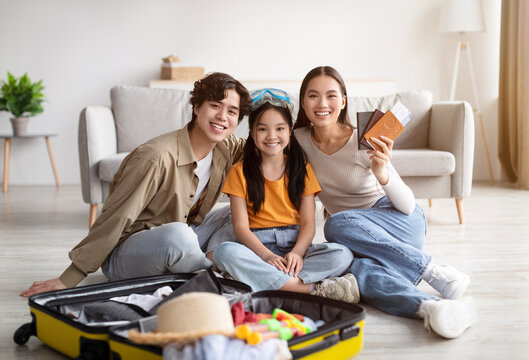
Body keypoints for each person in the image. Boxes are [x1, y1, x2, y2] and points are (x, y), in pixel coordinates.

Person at [20, 72, 252, 297]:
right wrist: (70, 277)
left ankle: (209, 261)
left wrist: (273, 116)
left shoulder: (225, 147)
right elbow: (116, 217)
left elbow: (266, 145)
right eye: (215, 105)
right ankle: (214, 273)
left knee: (236, 215)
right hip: (127, 255)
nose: (223, 116)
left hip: (181, 237)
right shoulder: (155, 157)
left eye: (232, 111)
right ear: (197, 107)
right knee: (179, 236)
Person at [292, 66, 477, 338]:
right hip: (357, 239)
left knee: (335, 225)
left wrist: (383, 172)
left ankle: (433, 270)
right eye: (313, 96)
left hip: (398, 222)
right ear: (303, 103)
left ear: (343, 101)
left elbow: (407, 206)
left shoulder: (363, 137)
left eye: (331, 95)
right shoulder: (298, 141)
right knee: (356, 270)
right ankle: (430, 308)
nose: (322, 104)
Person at [213, 88, 359, 302]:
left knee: (342, 254)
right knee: (224, 252)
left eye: (279, 128)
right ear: (252, 134)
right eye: (262, 129)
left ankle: (261, 281)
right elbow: (241, 228)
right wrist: (267, 256)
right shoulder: (239, 171)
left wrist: (298, 253)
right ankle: (309, 290)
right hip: (257, 248)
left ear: (289, 131)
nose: (271, 136)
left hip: (295, 245)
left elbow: (309, 224)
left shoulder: (303, 169)